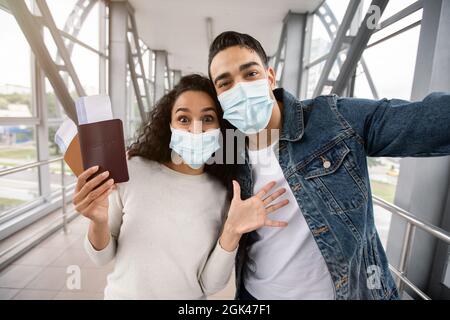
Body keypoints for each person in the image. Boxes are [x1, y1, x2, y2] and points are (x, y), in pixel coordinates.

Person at [207, 31, 450, 300]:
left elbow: (423, 122)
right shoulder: (226, 155)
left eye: (250, 74)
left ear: (270, 77)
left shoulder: (333, 119)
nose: (239, 88)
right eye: (225, 83)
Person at [74, 74, 289, 299]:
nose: (196, 129)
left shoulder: (226, 193)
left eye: (207, 118)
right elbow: (101, 257)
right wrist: (98, 221)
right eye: (184, 119)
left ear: (221, 127)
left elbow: (210, 285)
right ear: (169, 125)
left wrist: (231, 231)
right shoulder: (133, 170)